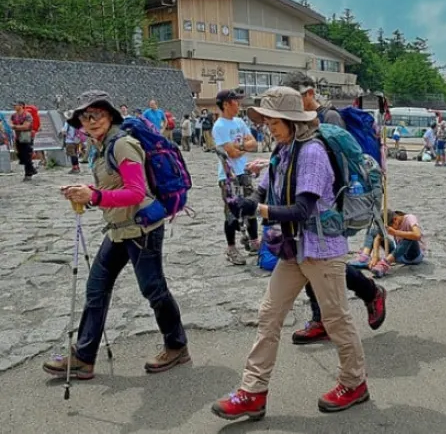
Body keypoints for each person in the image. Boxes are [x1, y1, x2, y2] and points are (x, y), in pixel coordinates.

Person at [211, 87, 370, 421]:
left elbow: (301, 209)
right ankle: (252, 392)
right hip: (294, 248)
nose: (267, 125)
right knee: (269, 315)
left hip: (322, 250)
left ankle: (355, 383)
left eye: (272, 119)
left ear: (291, 120)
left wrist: (258, 209)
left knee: (336, 319)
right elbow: (266, 187)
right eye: (265, 119)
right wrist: (247, 199)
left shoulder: (311, 152)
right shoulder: (283, 150)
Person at [43, 90, 189, 380]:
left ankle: (177, 346)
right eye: (84, 117)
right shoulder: (99, 147)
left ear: (109, 115)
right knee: (96, 288)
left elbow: (136, 192)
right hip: (119, 230)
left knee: (153, 289)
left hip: (141, 229)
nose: (90, 120)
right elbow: (112, 185)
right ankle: (84, 357)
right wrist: (84, 191)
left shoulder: (122, 144)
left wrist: (94, 196)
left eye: (96, 114)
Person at [281, 72, 386, 345]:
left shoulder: (330, 119)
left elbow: (342, 167)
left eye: (293, 99)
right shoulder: (297, 124)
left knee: (325, 265)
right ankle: (322, 320)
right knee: (307, 260)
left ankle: (369, 292)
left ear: (308, 94)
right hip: (306, 204)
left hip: (330, 206)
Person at [212, 90, 260, 265]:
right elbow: (231, 153)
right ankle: (231, 248)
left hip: (244, 171)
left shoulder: (239, 121)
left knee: (252, 205)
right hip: (228, 176)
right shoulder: (219, 126)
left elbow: (254, 143)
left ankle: (254, 242)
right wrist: (242, 147)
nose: (238, 105)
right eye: (235, 102)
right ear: (226, 104)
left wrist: (240, 147)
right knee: (231, 213)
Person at [350, 209, 425, 276]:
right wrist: (375, 256)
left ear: (395, 220)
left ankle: (384, 264)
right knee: (373, 231)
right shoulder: (392, 222)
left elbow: (417, 235)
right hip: (397, 253)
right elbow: (378, 238)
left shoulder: (409, 218)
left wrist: (395, 232)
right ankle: (365, 257)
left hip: (413, 255)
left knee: (409, 237)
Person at [10, 100, 36, 181]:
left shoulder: (27, 115)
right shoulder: (13, 115)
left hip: (26, 136)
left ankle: (28, 174)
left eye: (16, 105)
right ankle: (32, 169)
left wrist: (15, 127)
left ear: (21, 106)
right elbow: (10, 124)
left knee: (26, 155)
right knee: (20, 155)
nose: (14, 106)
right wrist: (16, 126)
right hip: (18, 137)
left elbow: (26, 126)